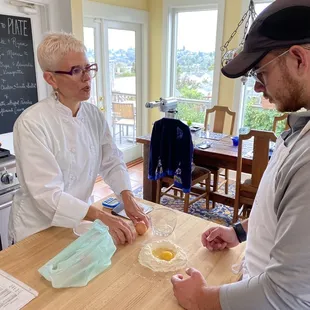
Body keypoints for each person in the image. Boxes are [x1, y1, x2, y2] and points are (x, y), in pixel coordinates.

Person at [171, 0, 310, 309]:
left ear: (298, 59)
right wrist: (238, 231)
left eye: (261, 72)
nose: (259, 87)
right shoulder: (301, 127)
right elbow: (283, 212)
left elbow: (285, 295)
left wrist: (199, 298)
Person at [9, 32, 148, 246]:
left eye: (88, 68)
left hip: (81, 219)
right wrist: (101, 216)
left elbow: (111, 161)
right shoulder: (32, 123)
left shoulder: (93, 115)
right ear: (51, 78)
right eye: (76, 71)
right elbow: (47, 194)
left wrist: (127, 197)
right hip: (38, 228)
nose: (87, 77)